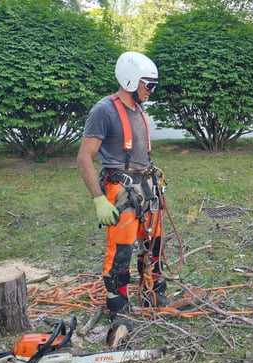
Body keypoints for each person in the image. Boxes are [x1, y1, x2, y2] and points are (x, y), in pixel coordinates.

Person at [77, 51, 171, 318]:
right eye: (149, 84)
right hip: (121, 191)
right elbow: (84, 157)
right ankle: (118, 306)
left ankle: (151, 292)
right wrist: (98, 199)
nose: (152, 90)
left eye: (154, 85)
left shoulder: (139, 109)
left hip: (147, 187)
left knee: (154, 245)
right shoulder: (104, 111)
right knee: (121, 252)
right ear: (131, 80)